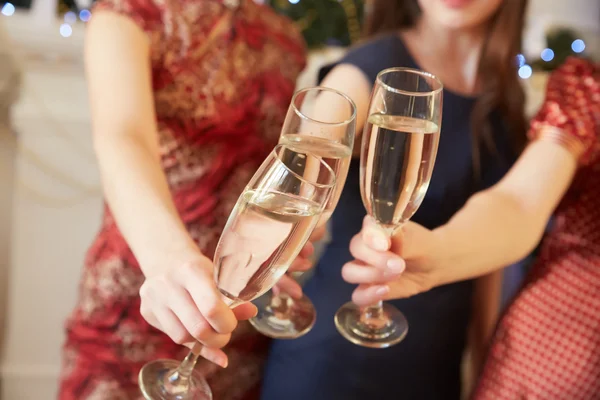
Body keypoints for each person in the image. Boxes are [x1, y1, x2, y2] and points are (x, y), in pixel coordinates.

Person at [260, 1, 528, 399]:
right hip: (334, 353)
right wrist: (300, 188)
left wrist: (486, 359)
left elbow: (493, 256)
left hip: (435, 365)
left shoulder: (506, 94)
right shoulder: (370, 64)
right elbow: (324, 127)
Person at [58, 0, 311, 398]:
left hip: (236, 313)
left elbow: (267, 165)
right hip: (143, 292)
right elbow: (123, 138)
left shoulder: (285, 38)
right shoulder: (128, 13)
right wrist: (168, 259)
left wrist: (283, 242)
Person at [344, 57, 599, 398]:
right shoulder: (590, 88)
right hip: (560, 351)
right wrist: (437, 254)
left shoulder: (501, 94)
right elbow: (521, 202)